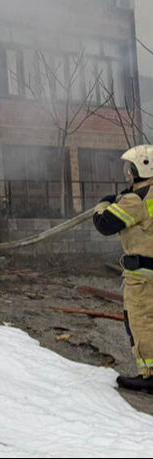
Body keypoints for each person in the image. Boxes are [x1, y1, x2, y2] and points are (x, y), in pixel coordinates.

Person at [93, 144, 153, 393]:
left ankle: (149, 376)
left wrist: (103, 204)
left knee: (140, 321)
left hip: (142, 277)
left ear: (140, 168)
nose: (127, 174)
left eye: (130, 169)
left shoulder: (134, 201)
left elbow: (104, 224)